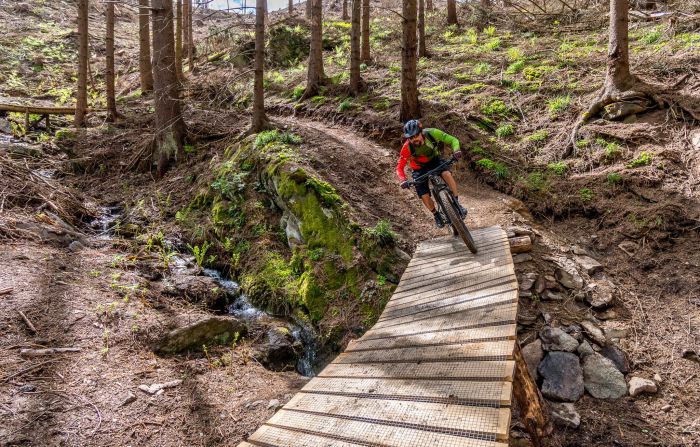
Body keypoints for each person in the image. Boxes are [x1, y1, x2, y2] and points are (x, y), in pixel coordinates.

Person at [396, 119, 465, 228]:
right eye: (411, 137)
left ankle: (456, 204)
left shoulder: (432, 133)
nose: (414, 139)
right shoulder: (407, 147)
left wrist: (456, 150)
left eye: (416, 135)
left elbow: (453, 140)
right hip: (419, 169)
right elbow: (399, 167)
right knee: (424, 195)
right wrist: (403, 180)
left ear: (421, 132)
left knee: (447, 174)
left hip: (434, 161)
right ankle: (436, 215)